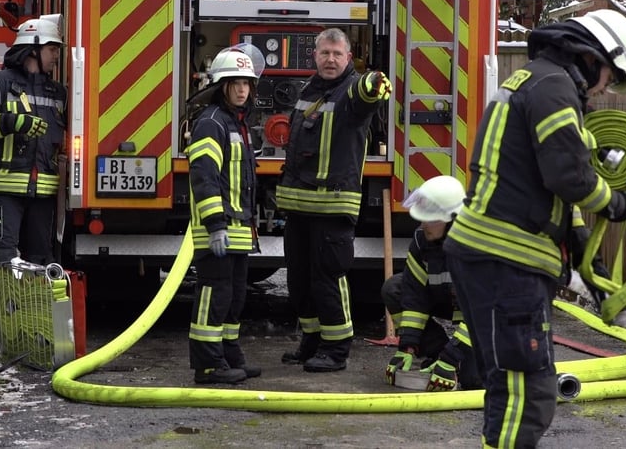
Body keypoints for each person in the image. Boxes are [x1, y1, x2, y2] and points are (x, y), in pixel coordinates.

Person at [444, 9, 626, 447]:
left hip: (488, 254)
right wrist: (616, 205)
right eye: (609, 78)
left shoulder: (535, 79)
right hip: (507, 261)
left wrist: (584, 255)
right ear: (593, 57)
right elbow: (568, 177)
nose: (604, 91)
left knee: (509, 384)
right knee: (529, 389)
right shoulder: (555, 87)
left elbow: (546, 189)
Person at [277, 27, 392, 372]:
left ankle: (336, 349)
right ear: (315, 56)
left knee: (328, 279)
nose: (330, 59)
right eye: (324, 53)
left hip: (333, 206)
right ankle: (311, 341)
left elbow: (366, 94)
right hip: (299, 207)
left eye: (337, 54)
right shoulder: (309, 89)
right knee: (299, 282)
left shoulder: (350, 93)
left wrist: (373, 83)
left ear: (348, 58)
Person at [0, 14, 67, 349]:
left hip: (44, 195)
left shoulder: (58, 92)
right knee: (2, 258)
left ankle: (32, 327)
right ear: (34, 48)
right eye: (53, 49)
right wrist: (12, 121)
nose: (57, 56)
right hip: (7, 191)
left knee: (40, 261)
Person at [186, 44, 264, 385]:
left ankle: (229, 355)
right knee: (213, 297)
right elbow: (204, 178)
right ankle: (207, 365)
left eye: (247, 83)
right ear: (222, 86)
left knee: (234, 298)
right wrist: (216, 226)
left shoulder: (237, 124)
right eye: (236, 83)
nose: (243, 89)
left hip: (238, 230)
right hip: (218, 230)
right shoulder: (211, 123)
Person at [382, 175, 481, 392]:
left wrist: (452, 357)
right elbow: (413, 296)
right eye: (423, 217)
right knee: (394, 288)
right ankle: (438, 352)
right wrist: (406, 347)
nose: (425, 225)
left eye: (432, 219)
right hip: (452, 301)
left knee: (474, 381)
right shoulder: (421, 242)